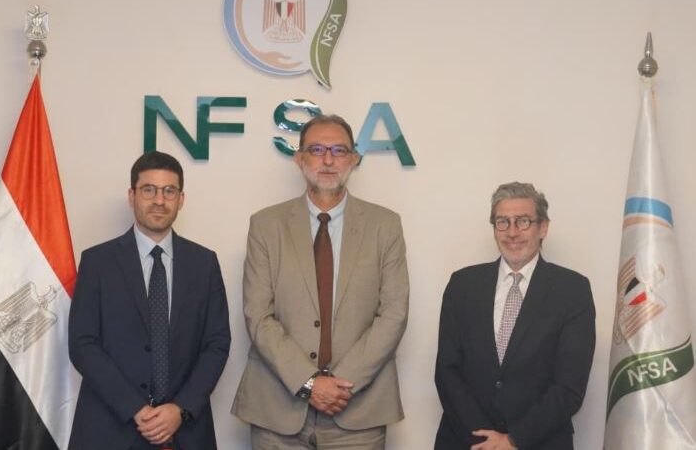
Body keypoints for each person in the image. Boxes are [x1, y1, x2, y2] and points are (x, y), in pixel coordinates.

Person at [232, 114, 410, 448]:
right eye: (316, 150)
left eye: (339, 151)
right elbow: (258, 315)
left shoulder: (385, 225)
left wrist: (340, 384)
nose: (328, 160)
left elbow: (394, 314)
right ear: (299, 159)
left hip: (359, 410)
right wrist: (309, 382)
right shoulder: (266, 225)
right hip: (277, 409)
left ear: (354, 159)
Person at [68, 151, 230, 449]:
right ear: (132, 196)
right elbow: (83, 344)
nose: (159, 200)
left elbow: (217, 344)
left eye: (169, 191)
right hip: (109, 428)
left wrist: (179, 408)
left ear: (181, 199)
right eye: (149, 190)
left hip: (185, 431)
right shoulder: (97, 262)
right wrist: (135, 408)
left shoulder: (204, 263)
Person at [434, 182, 595, 450]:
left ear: (543, 227)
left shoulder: (572, 290)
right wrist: (486, 442)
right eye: (503, 222)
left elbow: (569, 386)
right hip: (466, 442)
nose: (512, 232)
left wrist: (512, 440)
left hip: (540, 442)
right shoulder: (462, 285)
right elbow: (447, 371)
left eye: (523, 221)